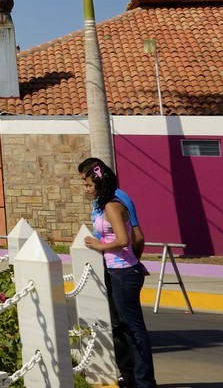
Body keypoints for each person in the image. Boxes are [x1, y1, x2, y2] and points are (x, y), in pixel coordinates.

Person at [80, 159, 156, 388]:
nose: (86, 188)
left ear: (99, 182)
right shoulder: (104, 205)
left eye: (88, 183)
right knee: (121, 326)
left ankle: (145, 382)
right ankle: (131, 376)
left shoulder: (113, 205)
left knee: (135, 329)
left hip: (123, 272)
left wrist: (100, 246)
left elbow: (125, 239)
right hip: (115, 270)